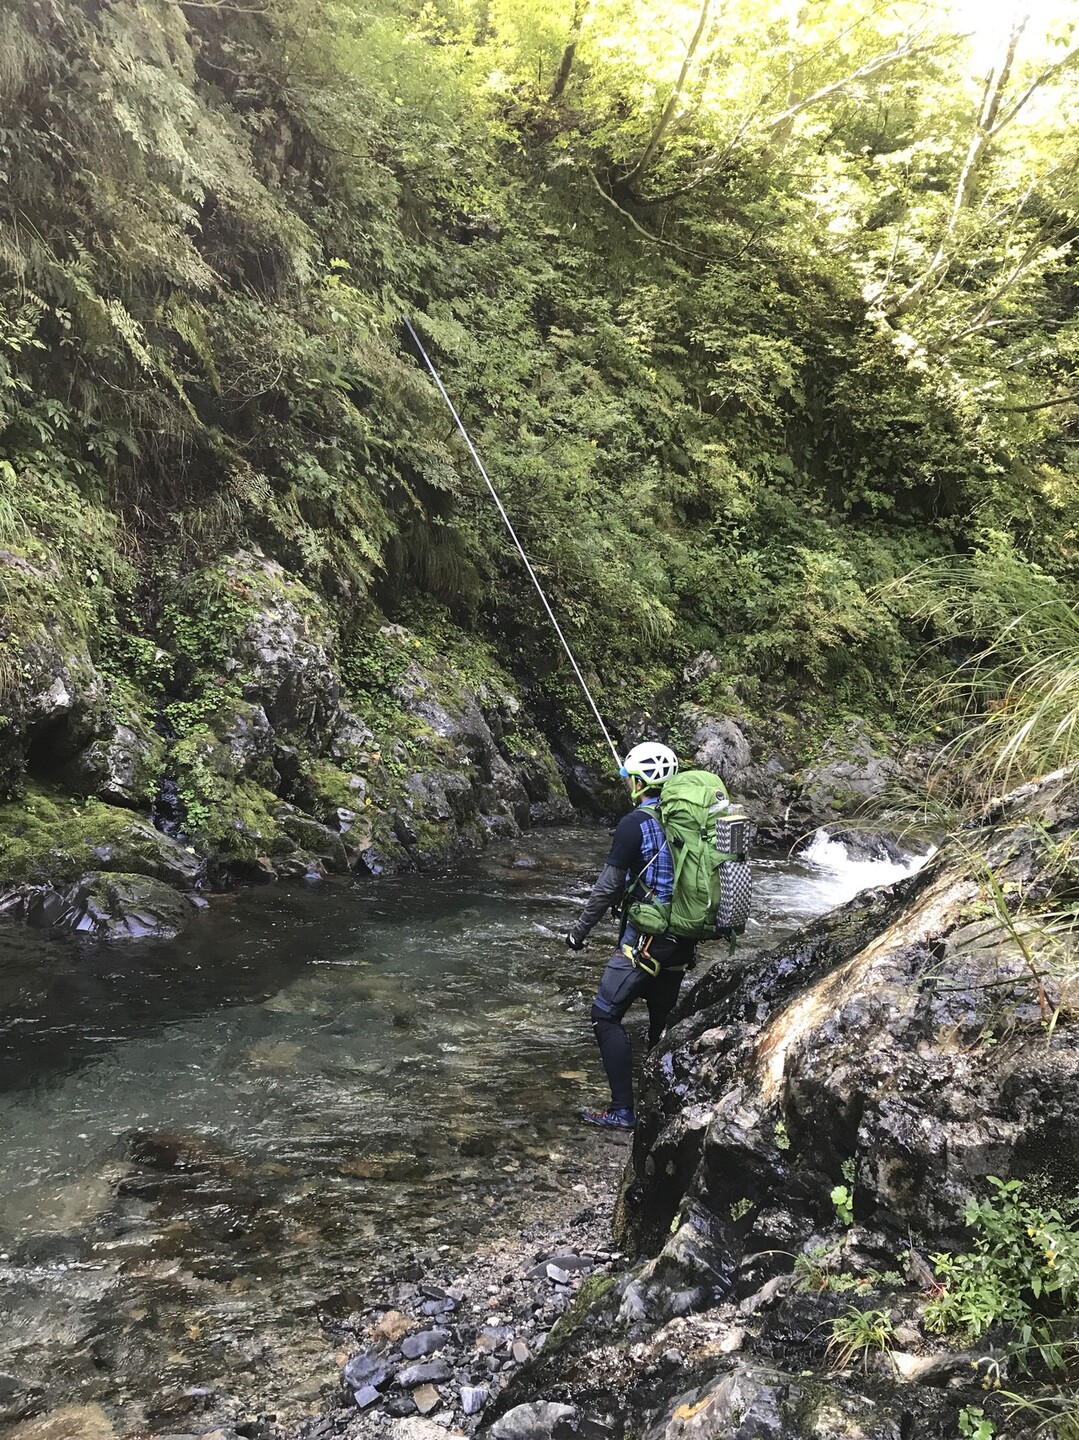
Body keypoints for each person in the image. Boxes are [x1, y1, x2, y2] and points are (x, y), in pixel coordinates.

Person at [564, 741, 694, 1130]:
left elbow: (606, 888)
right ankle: (662, 1108)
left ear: (640, 782)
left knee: (605, 1015)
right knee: (660, 1020)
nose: (627, 784)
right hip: (683, 938)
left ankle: (623, 1111)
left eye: (630, 778)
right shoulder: (685, 819)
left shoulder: (633, 824)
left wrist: (578, 933)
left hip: (647, 938)